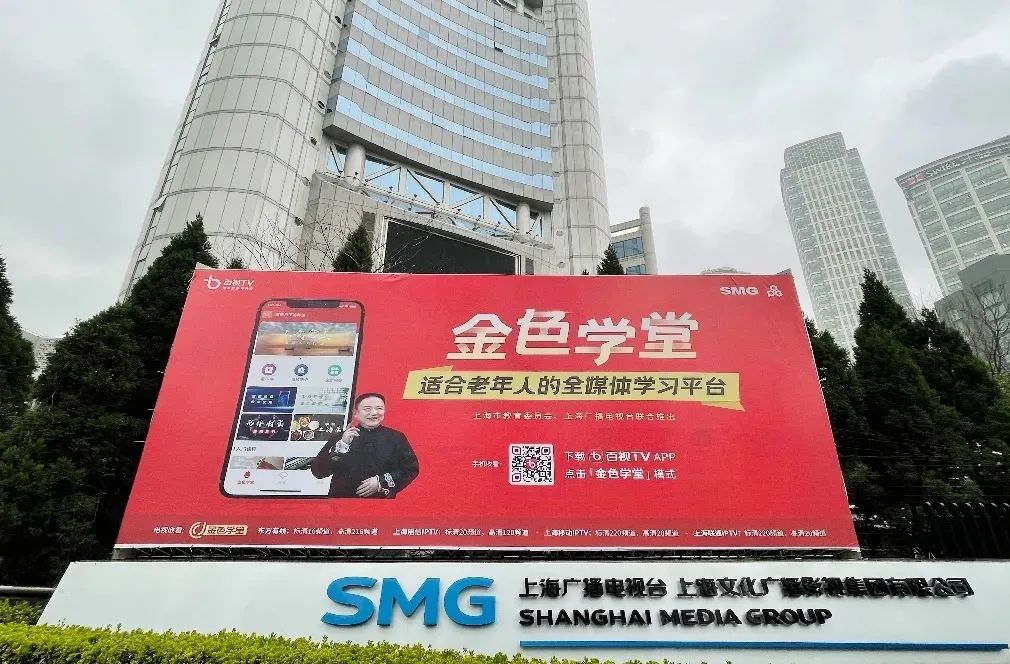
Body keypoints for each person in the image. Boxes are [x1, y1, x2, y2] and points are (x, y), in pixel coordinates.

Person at [311, 393, 419, 498]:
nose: (374, 413)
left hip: (380, 503)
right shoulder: (340, 437)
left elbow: (411, 468)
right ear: (356, 413)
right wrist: (342, 445)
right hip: (342, 502)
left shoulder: (396, 438)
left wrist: (381, 481)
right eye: (367, 409)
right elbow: (318, 471)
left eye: (379, 408)